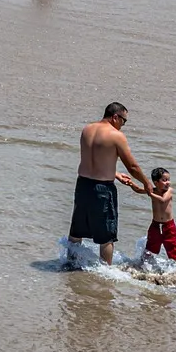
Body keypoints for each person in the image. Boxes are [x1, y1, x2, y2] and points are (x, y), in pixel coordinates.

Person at [67, 102, 154, 266]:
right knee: (106, 237)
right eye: (124, 121)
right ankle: (106, 272)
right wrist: (146, 183)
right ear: (115, 117)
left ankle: (70, 264)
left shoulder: (87, 129)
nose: (123, 125)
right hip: (102, 189)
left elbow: (90, 159)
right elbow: (133, 167)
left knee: (76, 231)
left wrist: (115, 173)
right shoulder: (116, 135)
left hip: (83, 185)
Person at [123, 166, 176, 263]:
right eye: (164, 180)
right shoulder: (153, 190)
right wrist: (131, 183)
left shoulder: (169, 190)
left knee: (173, 250)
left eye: (168, 180)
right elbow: (138, 189)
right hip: (155, 225)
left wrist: (149, 193)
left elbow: (163, 200)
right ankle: (142, 266)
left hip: (169, 226)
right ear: (156, 182)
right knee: (150, 248)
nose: (168, 182)